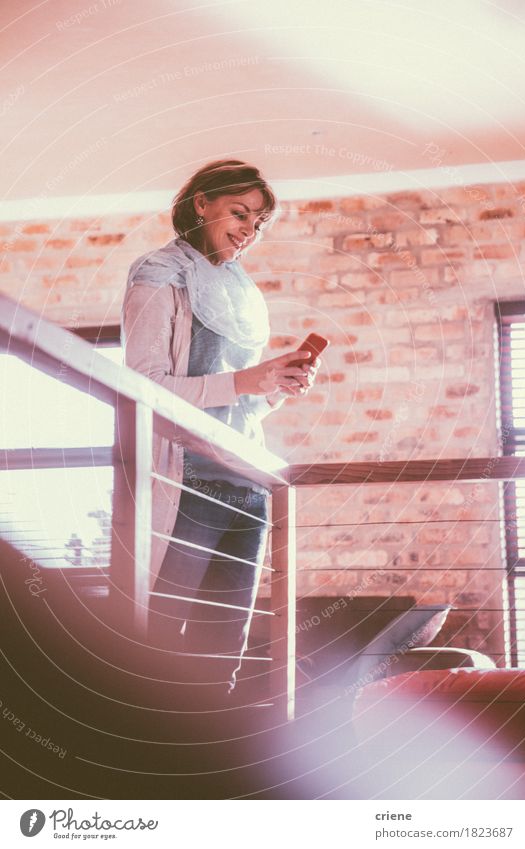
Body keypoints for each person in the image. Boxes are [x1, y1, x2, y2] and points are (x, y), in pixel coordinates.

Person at [121, 159, 321, 707]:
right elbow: (143, 386)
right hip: (187, 482)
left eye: (259, 223)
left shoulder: (237, 290)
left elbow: (237, 405)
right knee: (157, 648)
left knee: (221, 657)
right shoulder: (160, 275)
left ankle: (203, 781)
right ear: (201, 203)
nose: (249, 230)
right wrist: (245, 380)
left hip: (247, 484)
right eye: (240, 213)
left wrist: (274, 387)